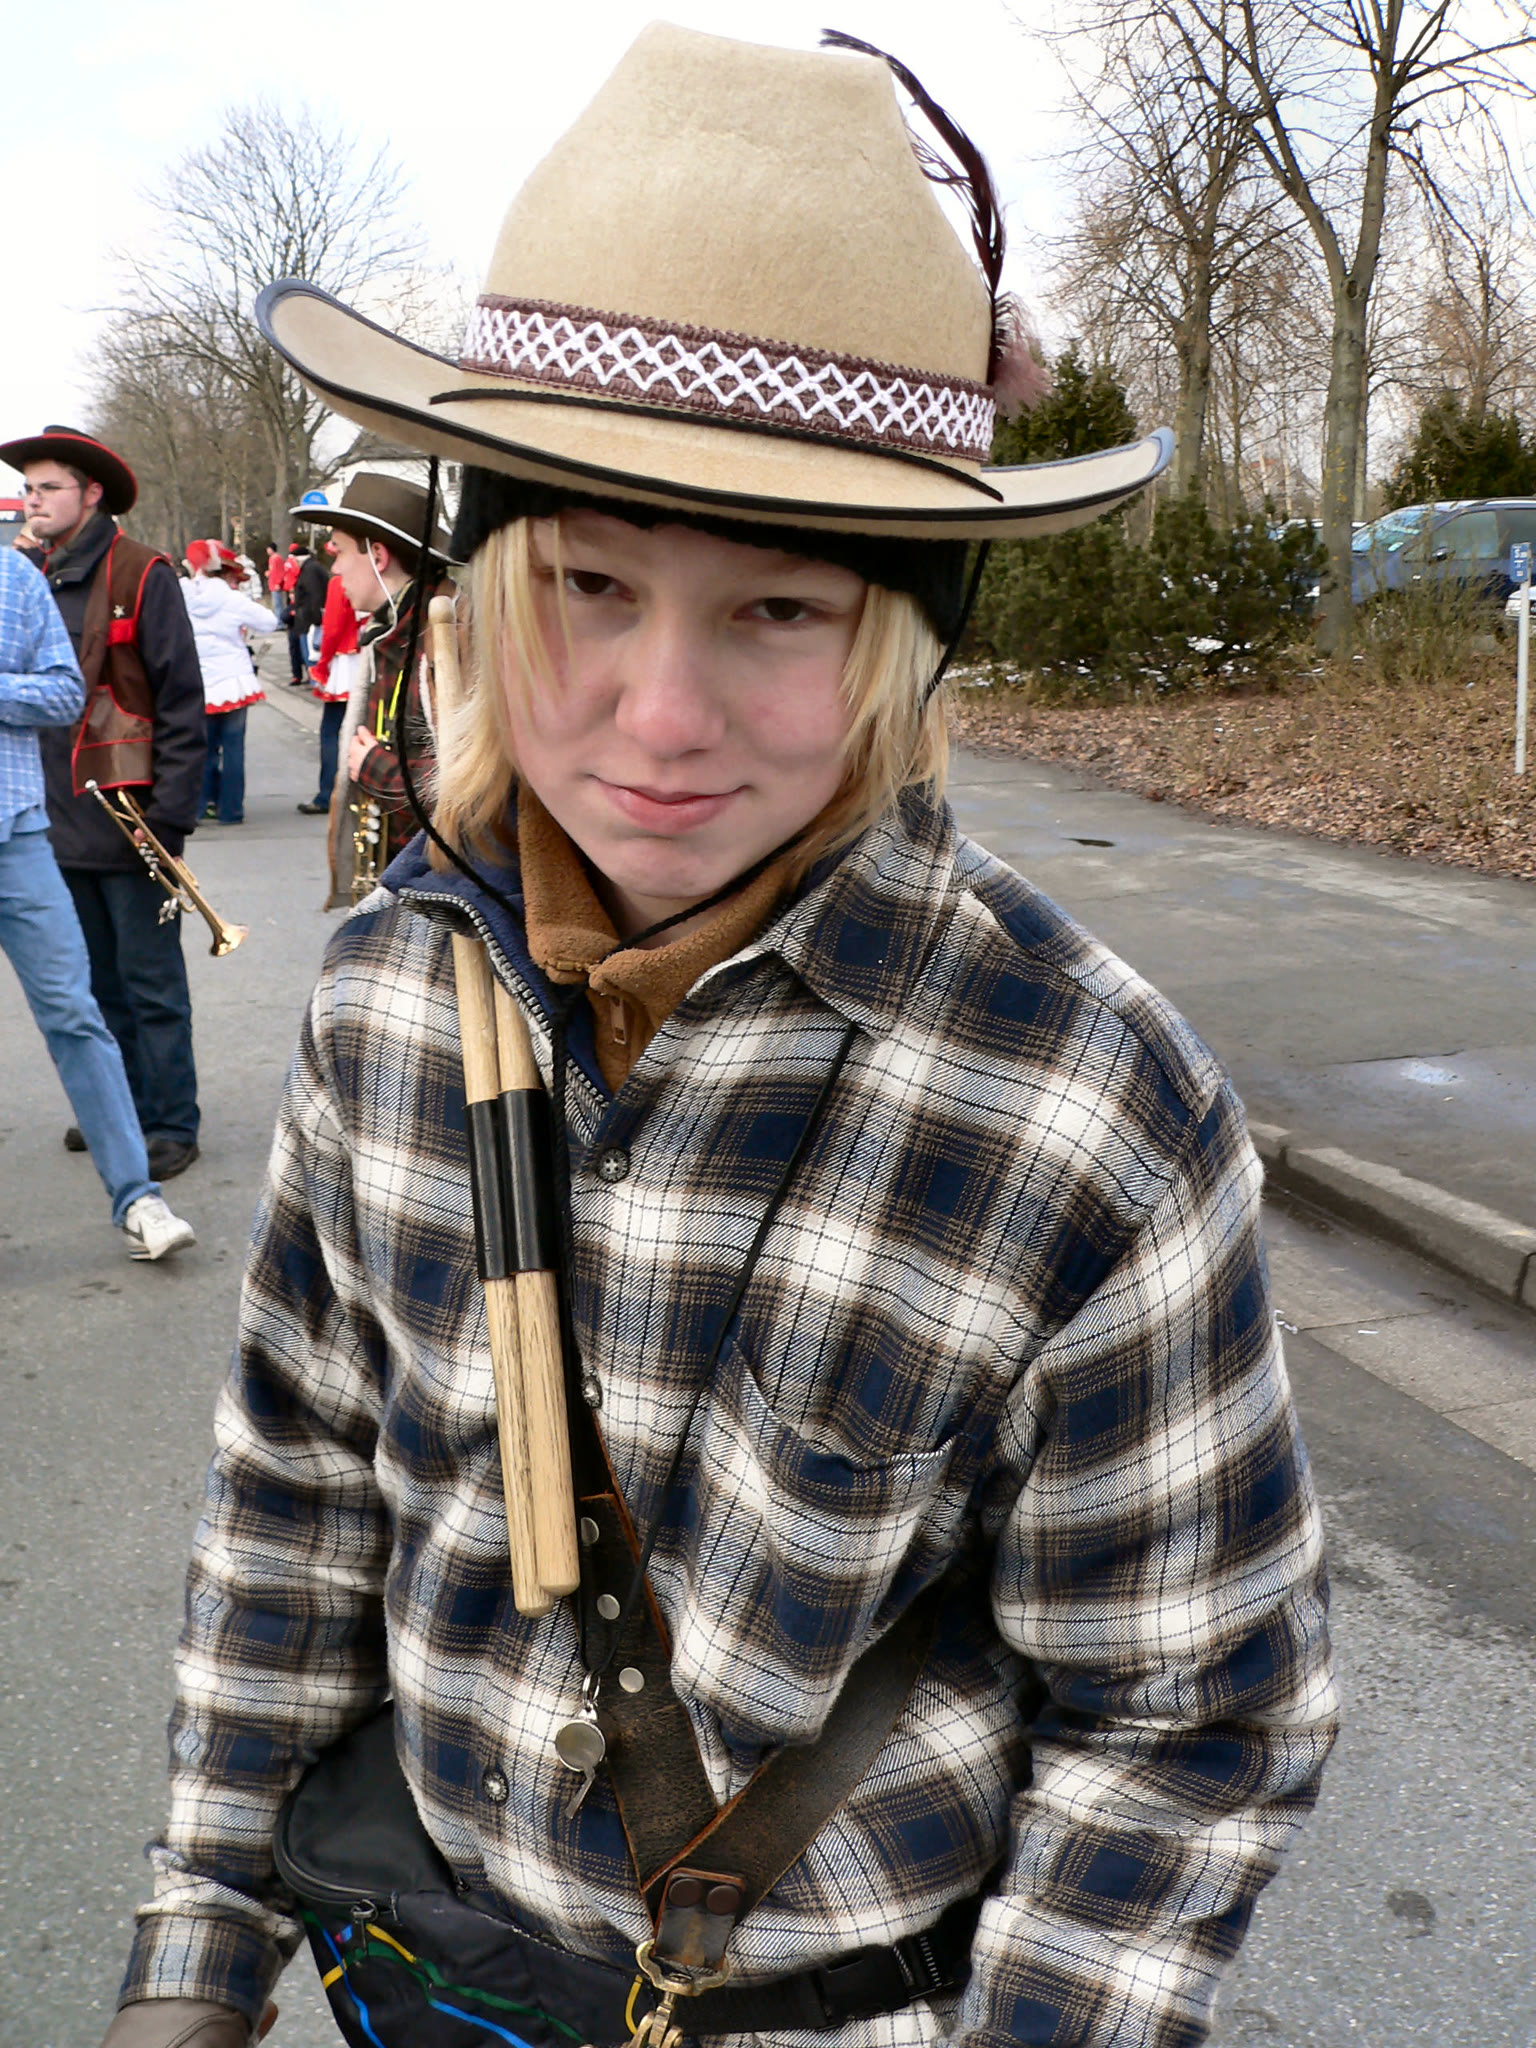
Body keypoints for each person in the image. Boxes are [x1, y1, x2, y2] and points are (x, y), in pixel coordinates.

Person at [104, 28, 1335, 2048]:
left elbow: (1191, 1714)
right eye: (591, 584)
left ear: (907, 641)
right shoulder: (383, 993)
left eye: (777, 611)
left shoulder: (1087, 1104)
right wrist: (197, 1951)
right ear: (487, 588)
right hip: (424, 1975)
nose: (661, 718)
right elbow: (293, 1505)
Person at [0, 425, 206, 1183]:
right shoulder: (27, 573)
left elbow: (181, 701)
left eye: (48, 487)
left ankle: (170, 1122)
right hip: (50, 818)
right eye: (28, 488)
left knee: (151, 984)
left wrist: (170, 819)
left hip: (131, 814)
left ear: (91, 493)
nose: (33, 500)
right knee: (90, 983)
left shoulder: (143, 571)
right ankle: (118, 1112)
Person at [292, 473, 454, 891]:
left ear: (378, 555)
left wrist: (374, 769)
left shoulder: (449, 638)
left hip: (444, 892)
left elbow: (468, 797)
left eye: (340, 551)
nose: (335, 568)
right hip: (407, 880)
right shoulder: (391, 631)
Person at [181, 539, 276, 828]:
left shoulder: (182, 594)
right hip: (233, 679)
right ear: (224, 573)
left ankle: (198, 808)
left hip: (198, 680)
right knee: (234, 748)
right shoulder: (233, 600)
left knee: (202, 749)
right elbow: (269, 622)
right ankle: (231, 810)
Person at [296, 560, 361, 815]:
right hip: (369, 656)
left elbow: (332, 627)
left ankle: (328, 794)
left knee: (331, 731)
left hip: (345, 662)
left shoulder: (340, 582)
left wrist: (322, 663)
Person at [287, 541, 329, 684]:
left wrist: (314, 619)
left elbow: (314, 595)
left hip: (309, 619)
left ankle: (315, 682)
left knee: (311, 654)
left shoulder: (309, 571)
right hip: (309, 617)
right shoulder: (312, 568)